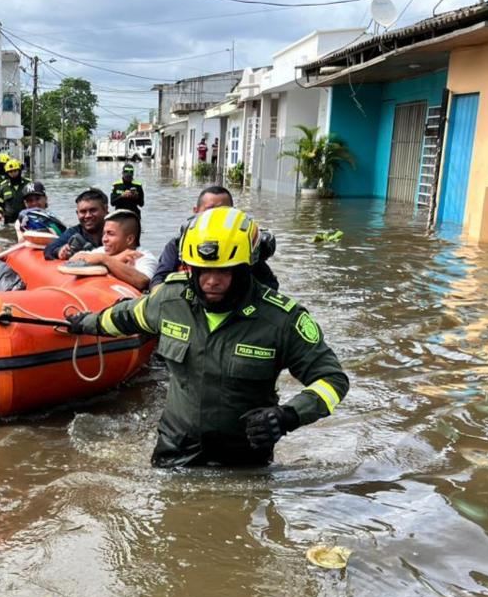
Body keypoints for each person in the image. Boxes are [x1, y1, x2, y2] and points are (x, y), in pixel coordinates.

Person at [67, 208, 349, 468]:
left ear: (245, 269)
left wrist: (287, 416)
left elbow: (332, 380)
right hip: (176, 448)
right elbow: (128, 316)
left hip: (245, 457)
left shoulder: (281, 320)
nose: (212, 281)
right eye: (203, 272)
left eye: (224, 271)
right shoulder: (170, 300)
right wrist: (85, 323)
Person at [150, 185, 279, 290]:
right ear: (196, 211)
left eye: (223, 210)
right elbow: (158, 281)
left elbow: (269, 285)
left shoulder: (243, 243)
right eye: (209, 210)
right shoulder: (180, 243)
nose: (215, 216)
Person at [69, 210, 156, 292]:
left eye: (110, 234)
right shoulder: (103, 251)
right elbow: (73, 260)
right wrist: (115, 259)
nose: (104, 239)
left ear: (129, 239)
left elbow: (142, 281)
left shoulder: (144, 257)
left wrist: (106, 260)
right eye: (104, 233)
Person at [45, 188, 108, 261]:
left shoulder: (116, 230)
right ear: (77, 213)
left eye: (93, 210)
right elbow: (49, 249)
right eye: (83, 212)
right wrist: (59, 251)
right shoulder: (74, 232)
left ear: (105, 209)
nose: (88, 215)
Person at [0, 159, 31, 224]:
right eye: (10, 171)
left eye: (15, 171)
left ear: (19, 171)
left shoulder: (28, 183)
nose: (13, 173)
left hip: (26, 220)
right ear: (7, 173)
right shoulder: (3, 186)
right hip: (9, 221)